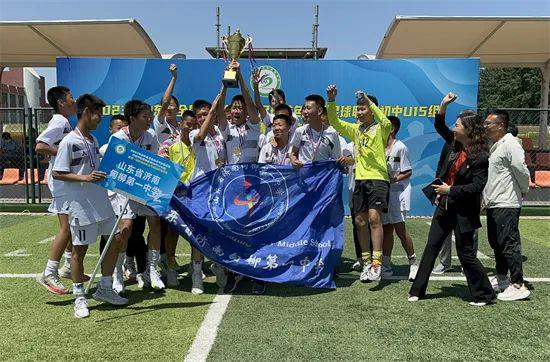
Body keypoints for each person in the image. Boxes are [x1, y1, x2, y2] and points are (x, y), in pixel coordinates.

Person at [408, 92, 494, 306]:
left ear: (468, 130)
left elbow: (477, 186)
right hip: (444, 207)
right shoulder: (455, 144)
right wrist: (443, 104)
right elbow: (440, 126)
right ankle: (417, 291)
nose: (454, 128)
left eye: (458, 125)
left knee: (466, 254)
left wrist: (450, 190)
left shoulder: (480, 156)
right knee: (431, 248)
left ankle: (484, 294)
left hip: (464, 210)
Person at [52, 94, 128, 318]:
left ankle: (104, 288)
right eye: (97, 115)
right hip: (81, 206)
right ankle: (79, 297)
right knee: (80, 251)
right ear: (86, 112)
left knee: (114, 240)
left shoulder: (93, 140)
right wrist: (85, 178)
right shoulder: (69, 141)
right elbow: (58, 172)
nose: (99, 120)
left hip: (101, 201)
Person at [326, 84, 390, 283]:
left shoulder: (381, 128)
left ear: (372, 110)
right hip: (360, 179)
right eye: (358, 109)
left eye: (363, 109)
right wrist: (331, 100)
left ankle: (377, 263)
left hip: (378, 178)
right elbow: (335, 122)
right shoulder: (356, 130)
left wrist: (369, 100)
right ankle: (366, 261)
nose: (359, 112)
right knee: (359, 221)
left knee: (373, 219)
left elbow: (385, 120)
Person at [111, 100, 165, 290]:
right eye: (145, 116)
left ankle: (151, 269)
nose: (149, 119)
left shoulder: (150, 136)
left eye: (150, 115)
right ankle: (118, 274)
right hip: (122, 189)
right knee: (125, 229)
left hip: (144, 186)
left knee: (155, 223)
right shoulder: (118, 138)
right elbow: (113, 167)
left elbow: (156, 159)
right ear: (132, 119)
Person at [35, 86, 82, 295]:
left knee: (71, 226)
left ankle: (66, 268)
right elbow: (40, 145)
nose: (74, 100)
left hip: (64, 181)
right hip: (61, 183)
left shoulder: (64, 121)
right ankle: (49, 272)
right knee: (65, 228)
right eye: (71, 97)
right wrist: (64, 153)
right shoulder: (59, 121)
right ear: (62, 102)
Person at [483, 110, 531, 301]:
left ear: (501, 125)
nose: (485, 126)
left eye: (489, 123)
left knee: (508, 243)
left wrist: (523, 190)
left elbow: (521, 170)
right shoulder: (496, 145)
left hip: (507, 202)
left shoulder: (511, 144)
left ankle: (518, 284)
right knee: (496, 243)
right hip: (494, 202)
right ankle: (502, 278)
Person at [188, 88, 228, 294]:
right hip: (200, 189)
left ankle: (218, 265)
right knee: (199, 232)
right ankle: (197, 276)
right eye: (200, 115)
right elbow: (202, 132)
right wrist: (212, 110)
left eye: (206, 113)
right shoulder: (195, 133)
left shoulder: (221, 133)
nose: (204, 117)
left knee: (217, 230)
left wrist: (224, 88)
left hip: (219, 189)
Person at [161, 110, 197, 287]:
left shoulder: (199, 143)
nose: (190, 127)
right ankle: (170, 266)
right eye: (187, 123)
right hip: (174, 195)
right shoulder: (170, 144)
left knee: (194, 231)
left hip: (194, 195)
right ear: (181, 122)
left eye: (194, 124)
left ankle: (193, 265)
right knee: (172, 230)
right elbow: (164, 167)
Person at [98, 115, 134, 293]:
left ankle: (120, 270)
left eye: (124, 127)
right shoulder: (105, 148)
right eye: (118, 127)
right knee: (112, 237)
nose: (122, 131)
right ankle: (113, 273)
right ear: (111, 130)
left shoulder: (134, 147)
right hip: (109, 195)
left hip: (126, 195)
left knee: (125, 232)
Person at [381, 116, 418, 281]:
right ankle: (386, 265)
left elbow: (408, 171)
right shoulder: (379, 147)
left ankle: (413, 263)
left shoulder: (400, 147)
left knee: (400, 230)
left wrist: (394, 179)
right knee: (387, 229)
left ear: (393, 129)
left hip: (398, 194)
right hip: (384, 194)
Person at [290, 94, 342, 168]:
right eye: (304, 108)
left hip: (323, 177)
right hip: (305, 176)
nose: (304, 112)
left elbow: (336, 159)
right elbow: (293, 153)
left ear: (319, 111)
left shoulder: (332, 133)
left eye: (308, 108)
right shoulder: (300, 131)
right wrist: (293, 160)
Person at [153, 64, 180, 145]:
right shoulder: (160, 123)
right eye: (166, 106)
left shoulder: (183, 127)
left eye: (171, 105)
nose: (168, 108)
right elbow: (165, 102)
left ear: (178, 109)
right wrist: (174, 78)